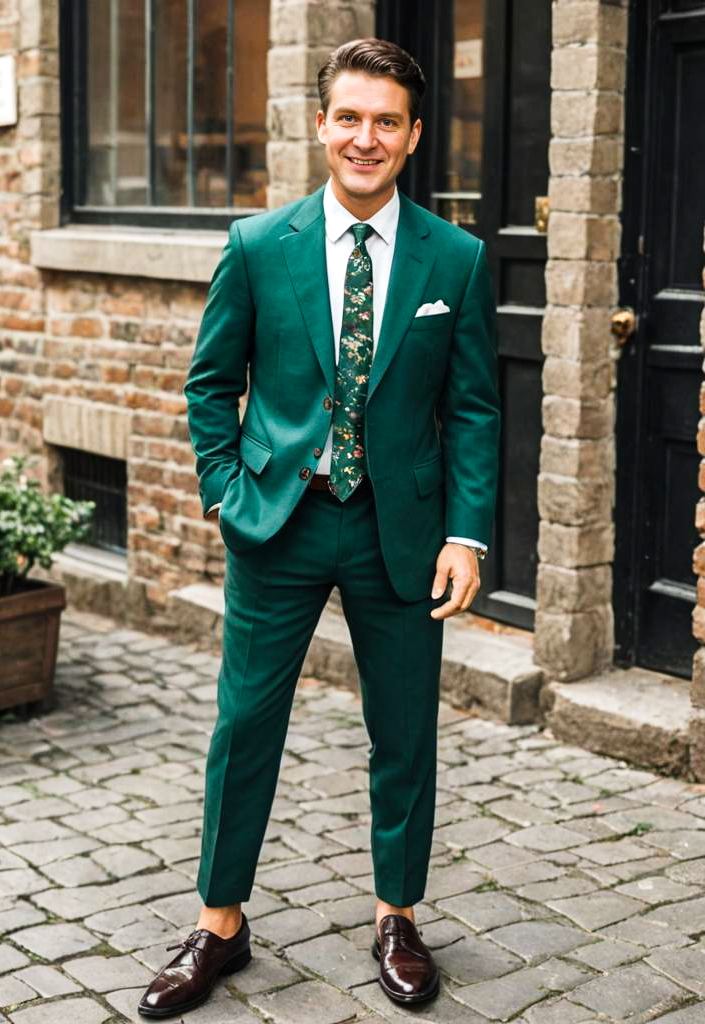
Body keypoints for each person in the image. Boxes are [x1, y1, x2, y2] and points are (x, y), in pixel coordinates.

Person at [138, 37, 500, 1019]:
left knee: (404, 732)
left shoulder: (454, 259)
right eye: (349, 116)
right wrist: (224, 490)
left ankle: (397, 916)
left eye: (387, 120)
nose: (365, 137)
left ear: (414, 135)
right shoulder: (258, 246)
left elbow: (472, 407)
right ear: (319, 122)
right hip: (279, 525)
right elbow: (212, 383)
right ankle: (219, 924)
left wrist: (465, 534)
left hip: (403, 534)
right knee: (244, 724)